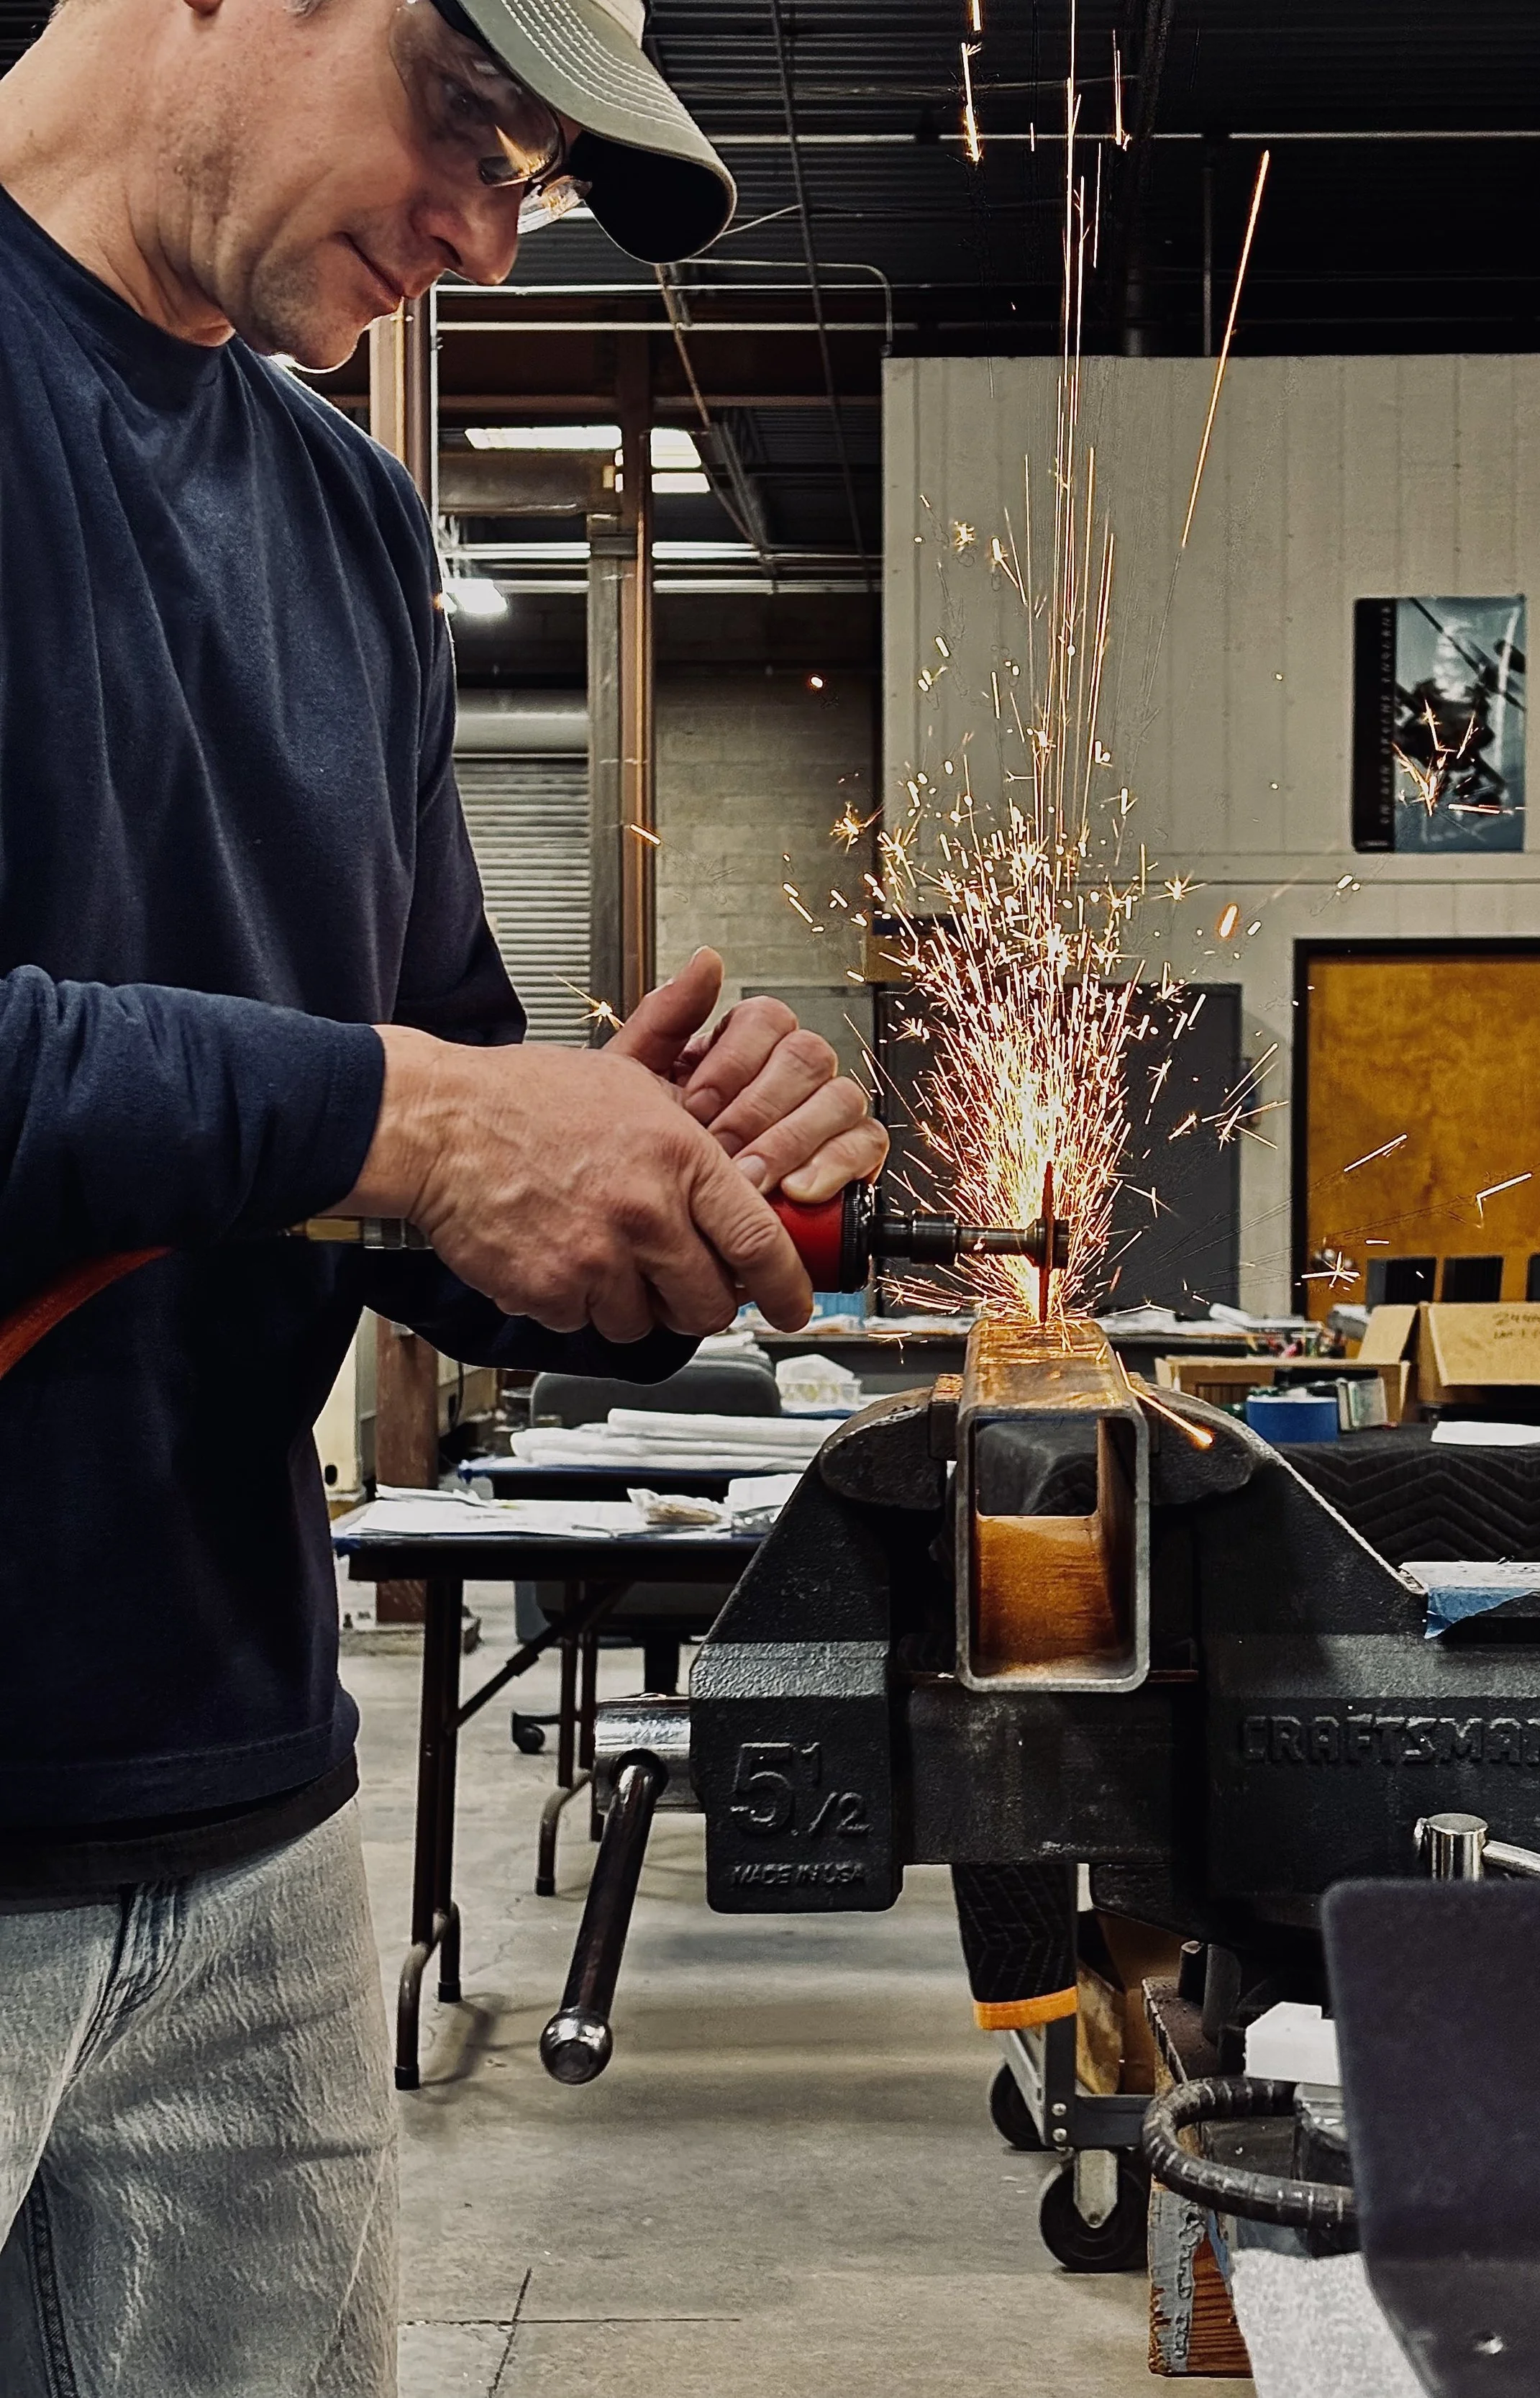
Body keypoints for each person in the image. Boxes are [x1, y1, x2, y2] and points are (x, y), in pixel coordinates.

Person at [0, 1, 886, 2389]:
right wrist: (430, 1122)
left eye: (544, 185)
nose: (489, 234)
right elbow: (391, 1114)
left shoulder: (347, 522)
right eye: (473, 121)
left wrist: (650, 1197)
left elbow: (432, 1169)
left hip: (250, 1819)